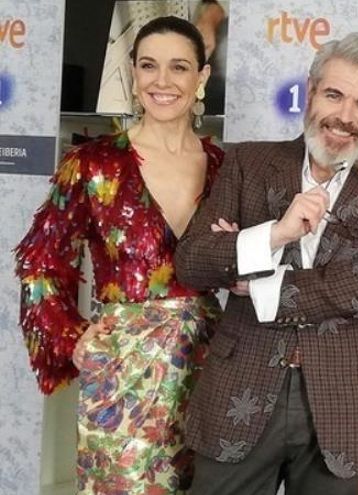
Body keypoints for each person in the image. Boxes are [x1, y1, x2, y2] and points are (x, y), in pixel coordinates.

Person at [172, 33, 358, 495]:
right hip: (239, 390)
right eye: (333, 95)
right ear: (309, 92)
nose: (344, 117)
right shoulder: (248, 161)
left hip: (346, 402)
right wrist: (275, 234)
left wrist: (260, 280)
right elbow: (193, 261)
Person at [14, 16, 222, 494]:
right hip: (123, 371)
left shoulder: (225, 169)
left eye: (179, 67)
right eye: (148, 66)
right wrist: (71, 338)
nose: (162, 81)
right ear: (132, 73)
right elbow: (39, 261)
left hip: (209, 365)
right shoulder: (93, 163)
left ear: (202, 77)